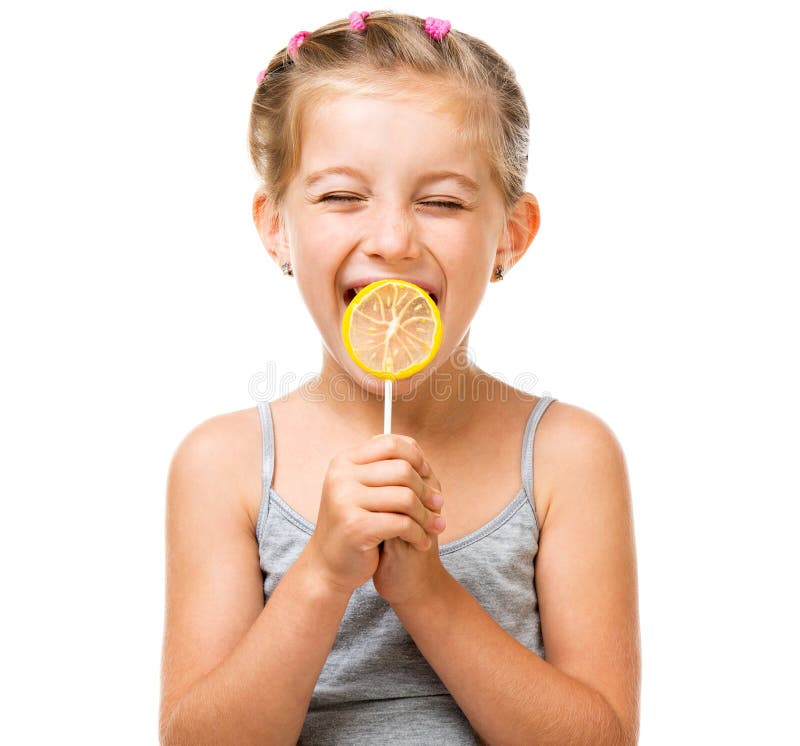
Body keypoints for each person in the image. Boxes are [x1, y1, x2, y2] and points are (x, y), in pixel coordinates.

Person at [158, 11, 640, 745]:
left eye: (441, 201)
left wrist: (428, 592)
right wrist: (320, 573)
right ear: (276, 227)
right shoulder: (222, 466)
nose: (390, 240)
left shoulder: (568, 456)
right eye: (341, 197)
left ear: (511, 234)